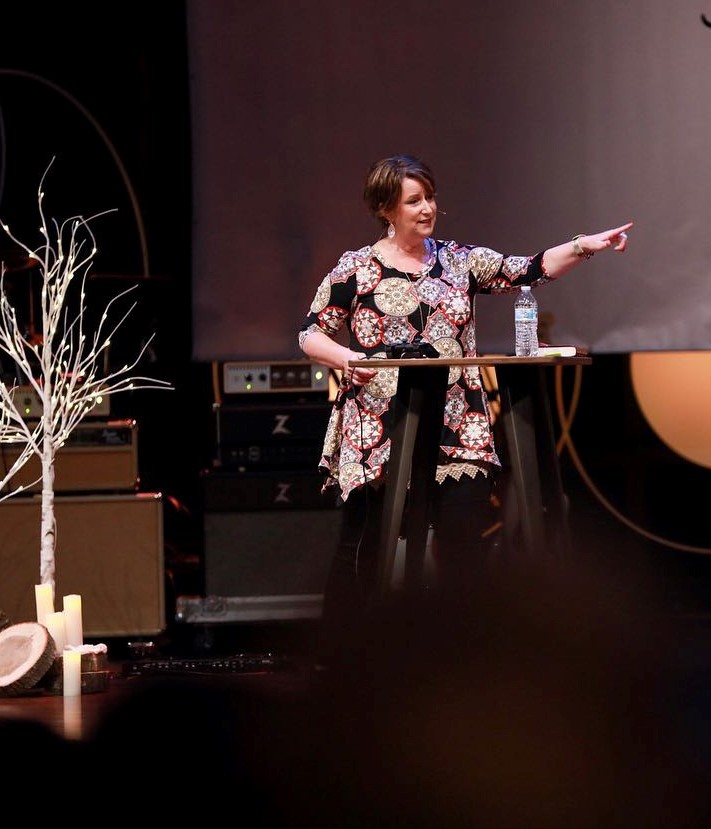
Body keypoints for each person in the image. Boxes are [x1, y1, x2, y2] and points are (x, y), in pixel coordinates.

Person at [298, 153, 632, 666]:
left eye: (430, 198)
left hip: (458, 423)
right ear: (386, 209)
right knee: (363, 542)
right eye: (414, 201)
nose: (427, 208)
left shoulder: (458, 261)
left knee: (463, 539)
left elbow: (529, 269)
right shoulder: (356, 268)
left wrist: (586, 245)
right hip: (380, 425)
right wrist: (348, 360)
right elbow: (311, 333)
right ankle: (340, 659)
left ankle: (464, 664)